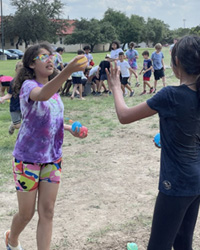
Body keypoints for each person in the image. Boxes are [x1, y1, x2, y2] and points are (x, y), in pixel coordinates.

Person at [106, 35, 200, 250]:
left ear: (176, 62)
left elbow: (124, 116)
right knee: (183, 243)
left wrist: (116, 88)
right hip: (196, 180)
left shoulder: (171, 95)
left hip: (176, 183)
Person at [4, 42, 87, 250]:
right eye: (44, 56)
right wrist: (67, 71)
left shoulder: (56, 94)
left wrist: (70, 129)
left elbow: (53, 120)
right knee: (26, 214)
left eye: (51, 56)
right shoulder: (28, 87)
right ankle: (11, 239)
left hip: (52, 158)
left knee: (48, 211)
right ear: (32, 64)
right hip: (27, 159)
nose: (50, 59)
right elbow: (42, 96)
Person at [0, 61, 23, 135]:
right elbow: (9, 94)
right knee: (17, 126)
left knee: (28, 123)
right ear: (16, 70)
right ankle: (13, 125)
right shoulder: (13, 82)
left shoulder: (29, 81)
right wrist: (3, 98)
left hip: (25, 106)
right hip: (15, 106)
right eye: (19, 68)